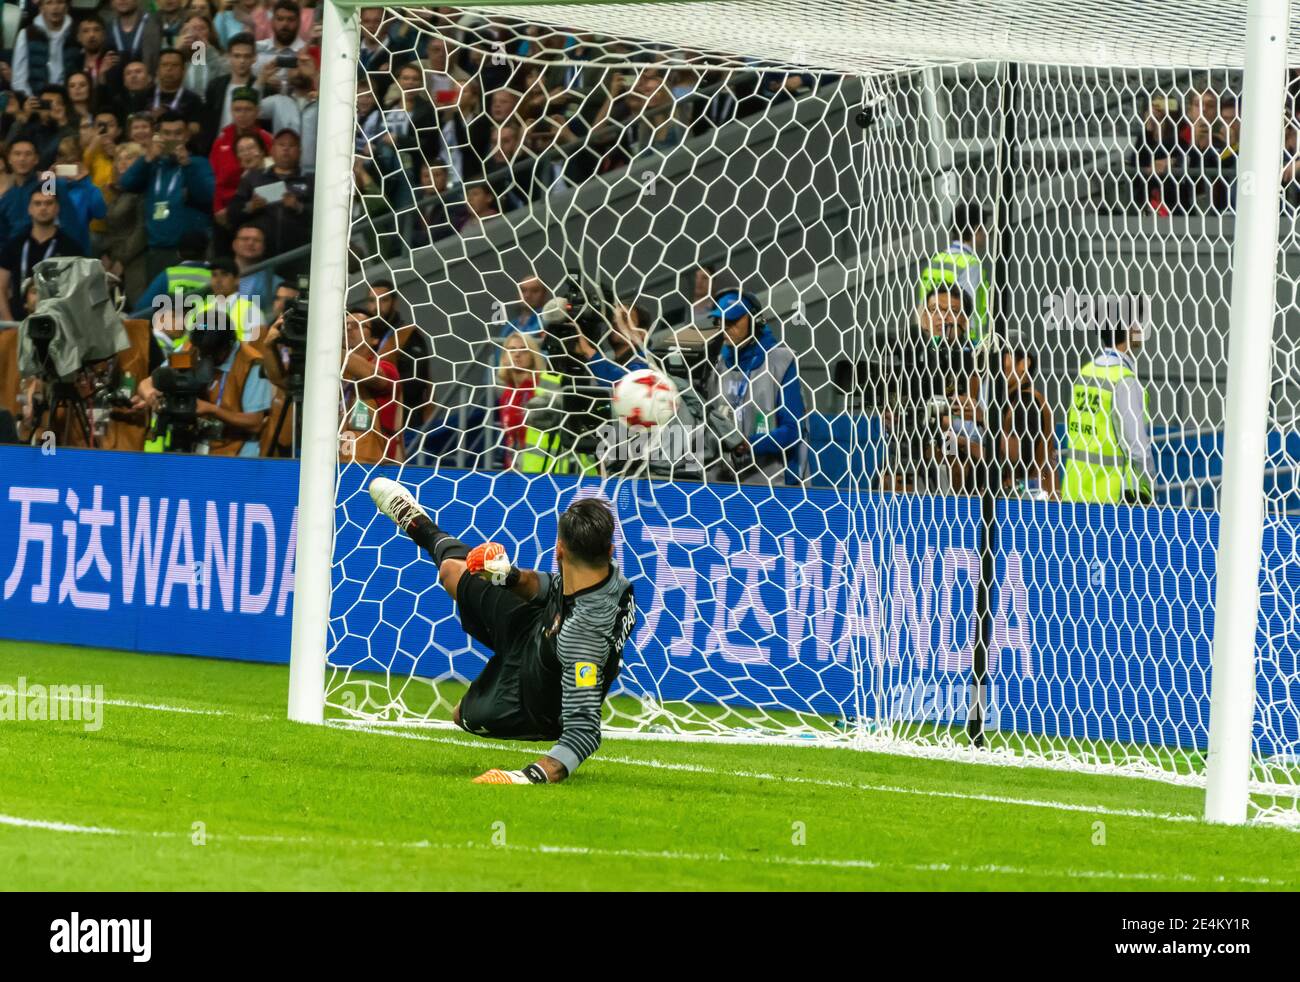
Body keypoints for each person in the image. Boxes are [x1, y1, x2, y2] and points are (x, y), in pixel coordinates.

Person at [367, 484, 636, 784]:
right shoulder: (611, 579)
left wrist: (524, 777)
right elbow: (552, 587)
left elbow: (584, 732)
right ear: (610, 550)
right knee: (454, 571)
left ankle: (509, 694)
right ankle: (415, 519)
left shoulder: (583, 642)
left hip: (533, 699)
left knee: (461, 716)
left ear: (558, 548)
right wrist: (509, 577)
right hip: (538, 627)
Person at [882, 285, 979, 494]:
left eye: (951, 311)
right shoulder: (907, 354)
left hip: (954, 451)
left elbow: (973, 418)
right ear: (923, 314)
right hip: (905, 447)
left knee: (954, 461)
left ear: (965, 321)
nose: (942, 318)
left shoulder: (974, 361)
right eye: (935, 309)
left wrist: (945, 421)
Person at [707, 289, 805, 485]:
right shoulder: (718, 363)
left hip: (771, 484)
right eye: (720, 322)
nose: (724, 328)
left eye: (732, 321)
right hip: (723, 480)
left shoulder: (780, 361)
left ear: (755, 321)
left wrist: (749, 444)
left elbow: (793, 431)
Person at [1062, 302, 1155, 505]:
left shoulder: (1086, 372)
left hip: (1075, 490)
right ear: (1130, 330)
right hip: (1114, 498)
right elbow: (1138, 448)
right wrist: (1152, 484)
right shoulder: (1125, 380)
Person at [116, 109, 214, 278]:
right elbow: (126, 183)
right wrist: (147, 159)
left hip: (189, 251)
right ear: (158, 135)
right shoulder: (152, 164)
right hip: (156, 249)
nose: (172, 139)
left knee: (188, 303)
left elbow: (208, 196)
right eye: (166, 133)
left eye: (178, 133)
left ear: (186, 136)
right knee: (160, 303)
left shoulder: (198, 163)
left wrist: (187, 165)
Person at [0, 190, 83, 322]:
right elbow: (1, 287)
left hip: (57, 323)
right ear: (29, 209)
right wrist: (8, 322)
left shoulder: (71, 248)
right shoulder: (15, 244)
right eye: (37, 203)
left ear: (57, 208)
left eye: (48, 203)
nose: (43, 208)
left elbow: (78, 292)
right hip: (17, 322)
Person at [916, 202, 989, 340]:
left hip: (931, 338)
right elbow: (968, 308)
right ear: (975, 228)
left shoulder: (937, 260)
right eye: (983, 227)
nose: (986, 233)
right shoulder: (970, 263)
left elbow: (922, 305)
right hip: (960, 342)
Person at [997, 346, 1059, 498]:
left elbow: (1016, 454)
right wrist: (961, 441)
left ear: (1024, 364)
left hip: (1032, 502)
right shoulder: (1014, 401)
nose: (997, 363)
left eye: (1004, 356)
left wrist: (986, 421)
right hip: (1030, 497)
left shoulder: (1027, 402)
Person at [496, 330, 542, 468]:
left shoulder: (540, 389)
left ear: (533, 356)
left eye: (524, 350)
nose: (517, 354)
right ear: (504, 358)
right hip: (512, 468)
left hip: (538, 469)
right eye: (512, 350)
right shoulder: (506, 393)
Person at [11, 0, 75, 98]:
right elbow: (19, 79)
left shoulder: (76, 34)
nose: (55, 7)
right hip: (36, 101)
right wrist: (32, 101)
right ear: (41, 8)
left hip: (68, 102)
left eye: (60, 2)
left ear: (67, 7)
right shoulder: (27, 34)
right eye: (49, 2)